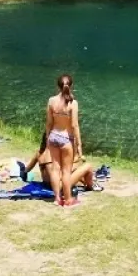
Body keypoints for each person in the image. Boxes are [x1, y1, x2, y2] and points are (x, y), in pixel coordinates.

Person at [45, 74, 83, 207]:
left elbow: (49, 123)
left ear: (58, 86)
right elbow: (74, 125)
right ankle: (68, 200)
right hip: (66, 139)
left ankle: (57, 199)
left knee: (55, 169)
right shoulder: (73, 103)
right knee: (66, 171)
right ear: (71, 86)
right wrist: (79, 145)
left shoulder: (51, 101)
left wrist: (47, 139)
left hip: (53, 136)